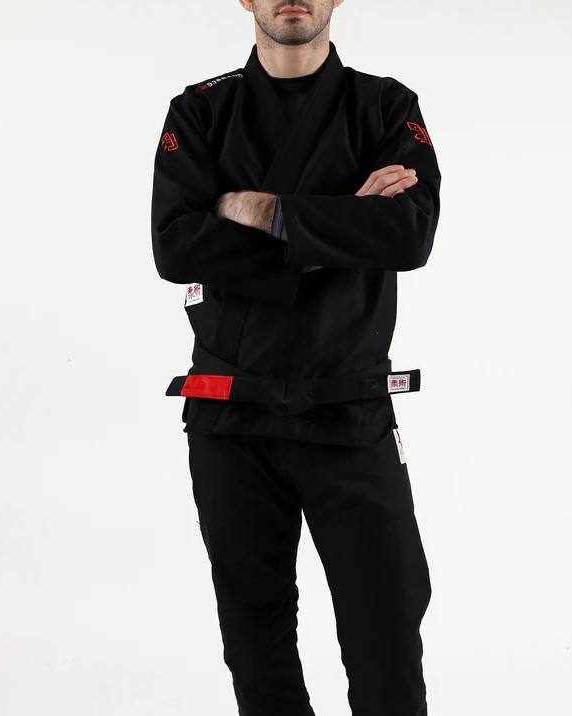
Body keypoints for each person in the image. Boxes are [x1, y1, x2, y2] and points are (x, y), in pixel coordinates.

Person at [150, 1, 442, 714]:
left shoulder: (384, 106)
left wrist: (261, 209)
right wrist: (342, 221)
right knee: (256, 643)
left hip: (350, 409)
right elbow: (177, 248)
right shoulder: (200, 111)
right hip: (230, 415)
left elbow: (407, 236)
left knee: (387, 633)